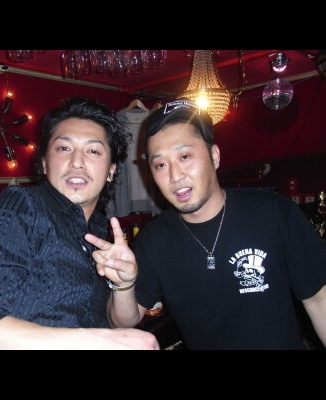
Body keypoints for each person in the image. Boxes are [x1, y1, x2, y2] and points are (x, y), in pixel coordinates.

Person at [85, 98, 326, 350]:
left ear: (214, 156)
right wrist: (123, 285)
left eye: (185, 156)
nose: (175, 176)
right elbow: (122, 322)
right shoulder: (154, 239)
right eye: (161, 164)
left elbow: (319, 299)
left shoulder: (273, 212)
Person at [0, 97, 159, 350]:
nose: (77, 162)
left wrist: (123, 285)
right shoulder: (20, 208)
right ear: (45, 163)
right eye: (64, 148)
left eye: (93, 151)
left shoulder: (97, 229)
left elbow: (119, 322)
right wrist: (99, 341)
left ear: (111, 170)